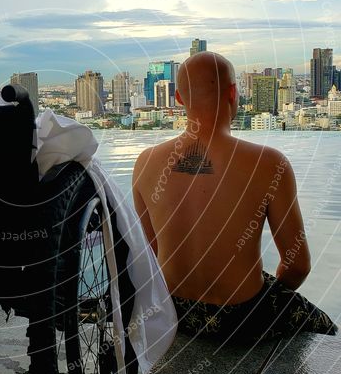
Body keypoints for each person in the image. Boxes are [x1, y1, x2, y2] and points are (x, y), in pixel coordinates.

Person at [132, 51, 337, 342]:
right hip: (242, 317)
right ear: (233, 93)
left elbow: (150, 255)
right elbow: (297, 265)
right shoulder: (268, 164)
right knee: (327, 329)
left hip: (174, 310)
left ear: (178, 98)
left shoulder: (145, 163)